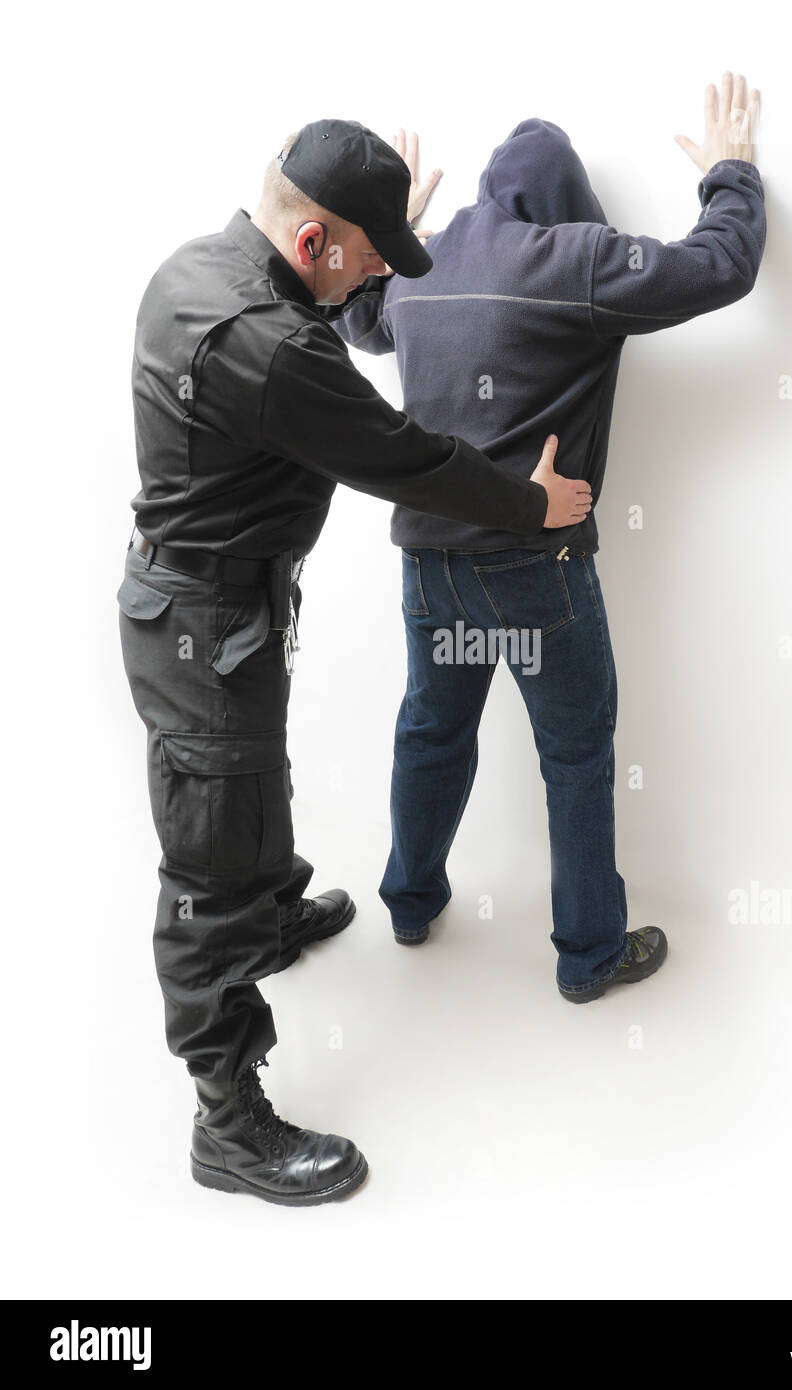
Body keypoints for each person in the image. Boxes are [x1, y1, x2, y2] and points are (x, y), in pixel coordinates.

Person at [119, 118, 592, 1206]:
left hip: (210, 609)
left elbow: (330, 320)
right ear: (316, 244)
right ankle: (226, 1118)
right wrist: (534, 502)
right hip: (205, 622)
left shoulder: (204, 265)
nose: (382, 274)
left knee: (251, 776)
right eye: (371, 253)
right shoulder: (276, 346)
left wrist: (385, 238)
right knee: (207, 862)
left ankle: (275, 910)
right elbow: (407, 458)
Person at [331, 76, 765, 1001]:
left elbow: (361, 321)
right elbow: (721, 264)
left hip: (429, 567)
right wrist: (731, 170)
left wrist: (395, 239)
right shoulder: (576, 259)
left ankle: (409, 905)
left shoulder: (427, 263)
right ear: (568, 201)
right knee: (573, 756)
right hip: (536, 565)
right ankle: (587, 958)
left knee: (430, 732)